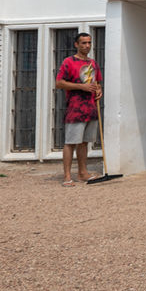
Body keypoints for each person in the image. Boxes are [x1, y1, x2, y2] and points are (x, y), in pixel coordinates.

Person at [55, 32, 103, 186]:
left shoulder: (93, 64)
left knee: (84, 142)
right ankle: (67, 176)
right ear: (76, 44)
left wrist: (99, 90)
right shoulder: (69, 62)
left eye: (89, 43)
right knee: (71, 142)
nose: (87, 46)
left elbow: (97, 83)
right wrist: (80, 86)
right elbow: (59, 83)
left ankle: (83, 173)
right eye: (83, 43)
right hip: (75, 109)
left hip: (91, 108)